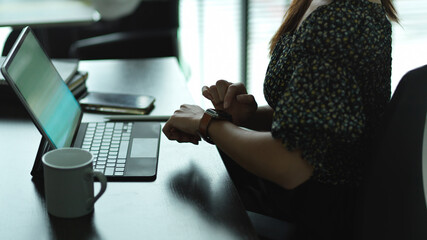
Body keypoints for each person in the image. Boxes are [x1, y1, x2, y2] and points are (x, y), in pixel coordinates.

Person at [162, 0, 398, 238]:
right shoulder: (329, 8)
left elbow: (290, 165)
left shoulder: (339, 22)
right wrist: (247, 117)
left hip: (316, 215)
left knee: (173, 210)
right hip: (304, 201)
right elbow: (318, 117)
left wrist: (207, 123)